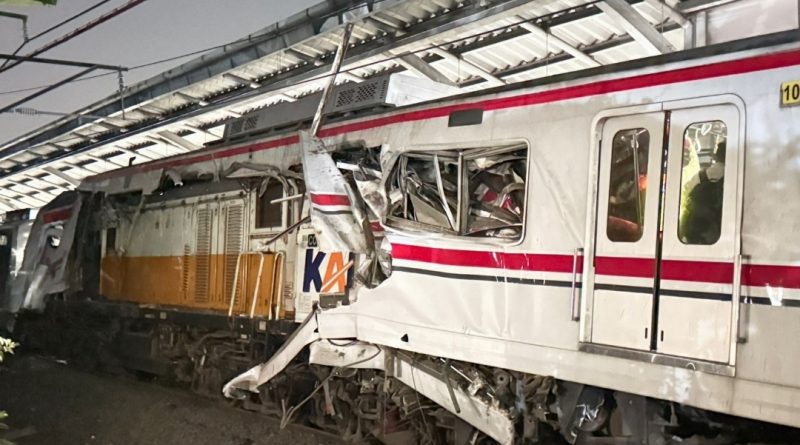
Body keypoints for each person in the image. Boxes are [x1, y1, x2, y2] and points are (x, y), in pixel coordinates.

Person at [679, 141, 726, 245]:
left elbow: (685, 197)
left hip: (697, 230)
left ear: (715, 157)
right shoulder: (735, 178)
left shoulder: (700, 176)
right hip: (719, 231)